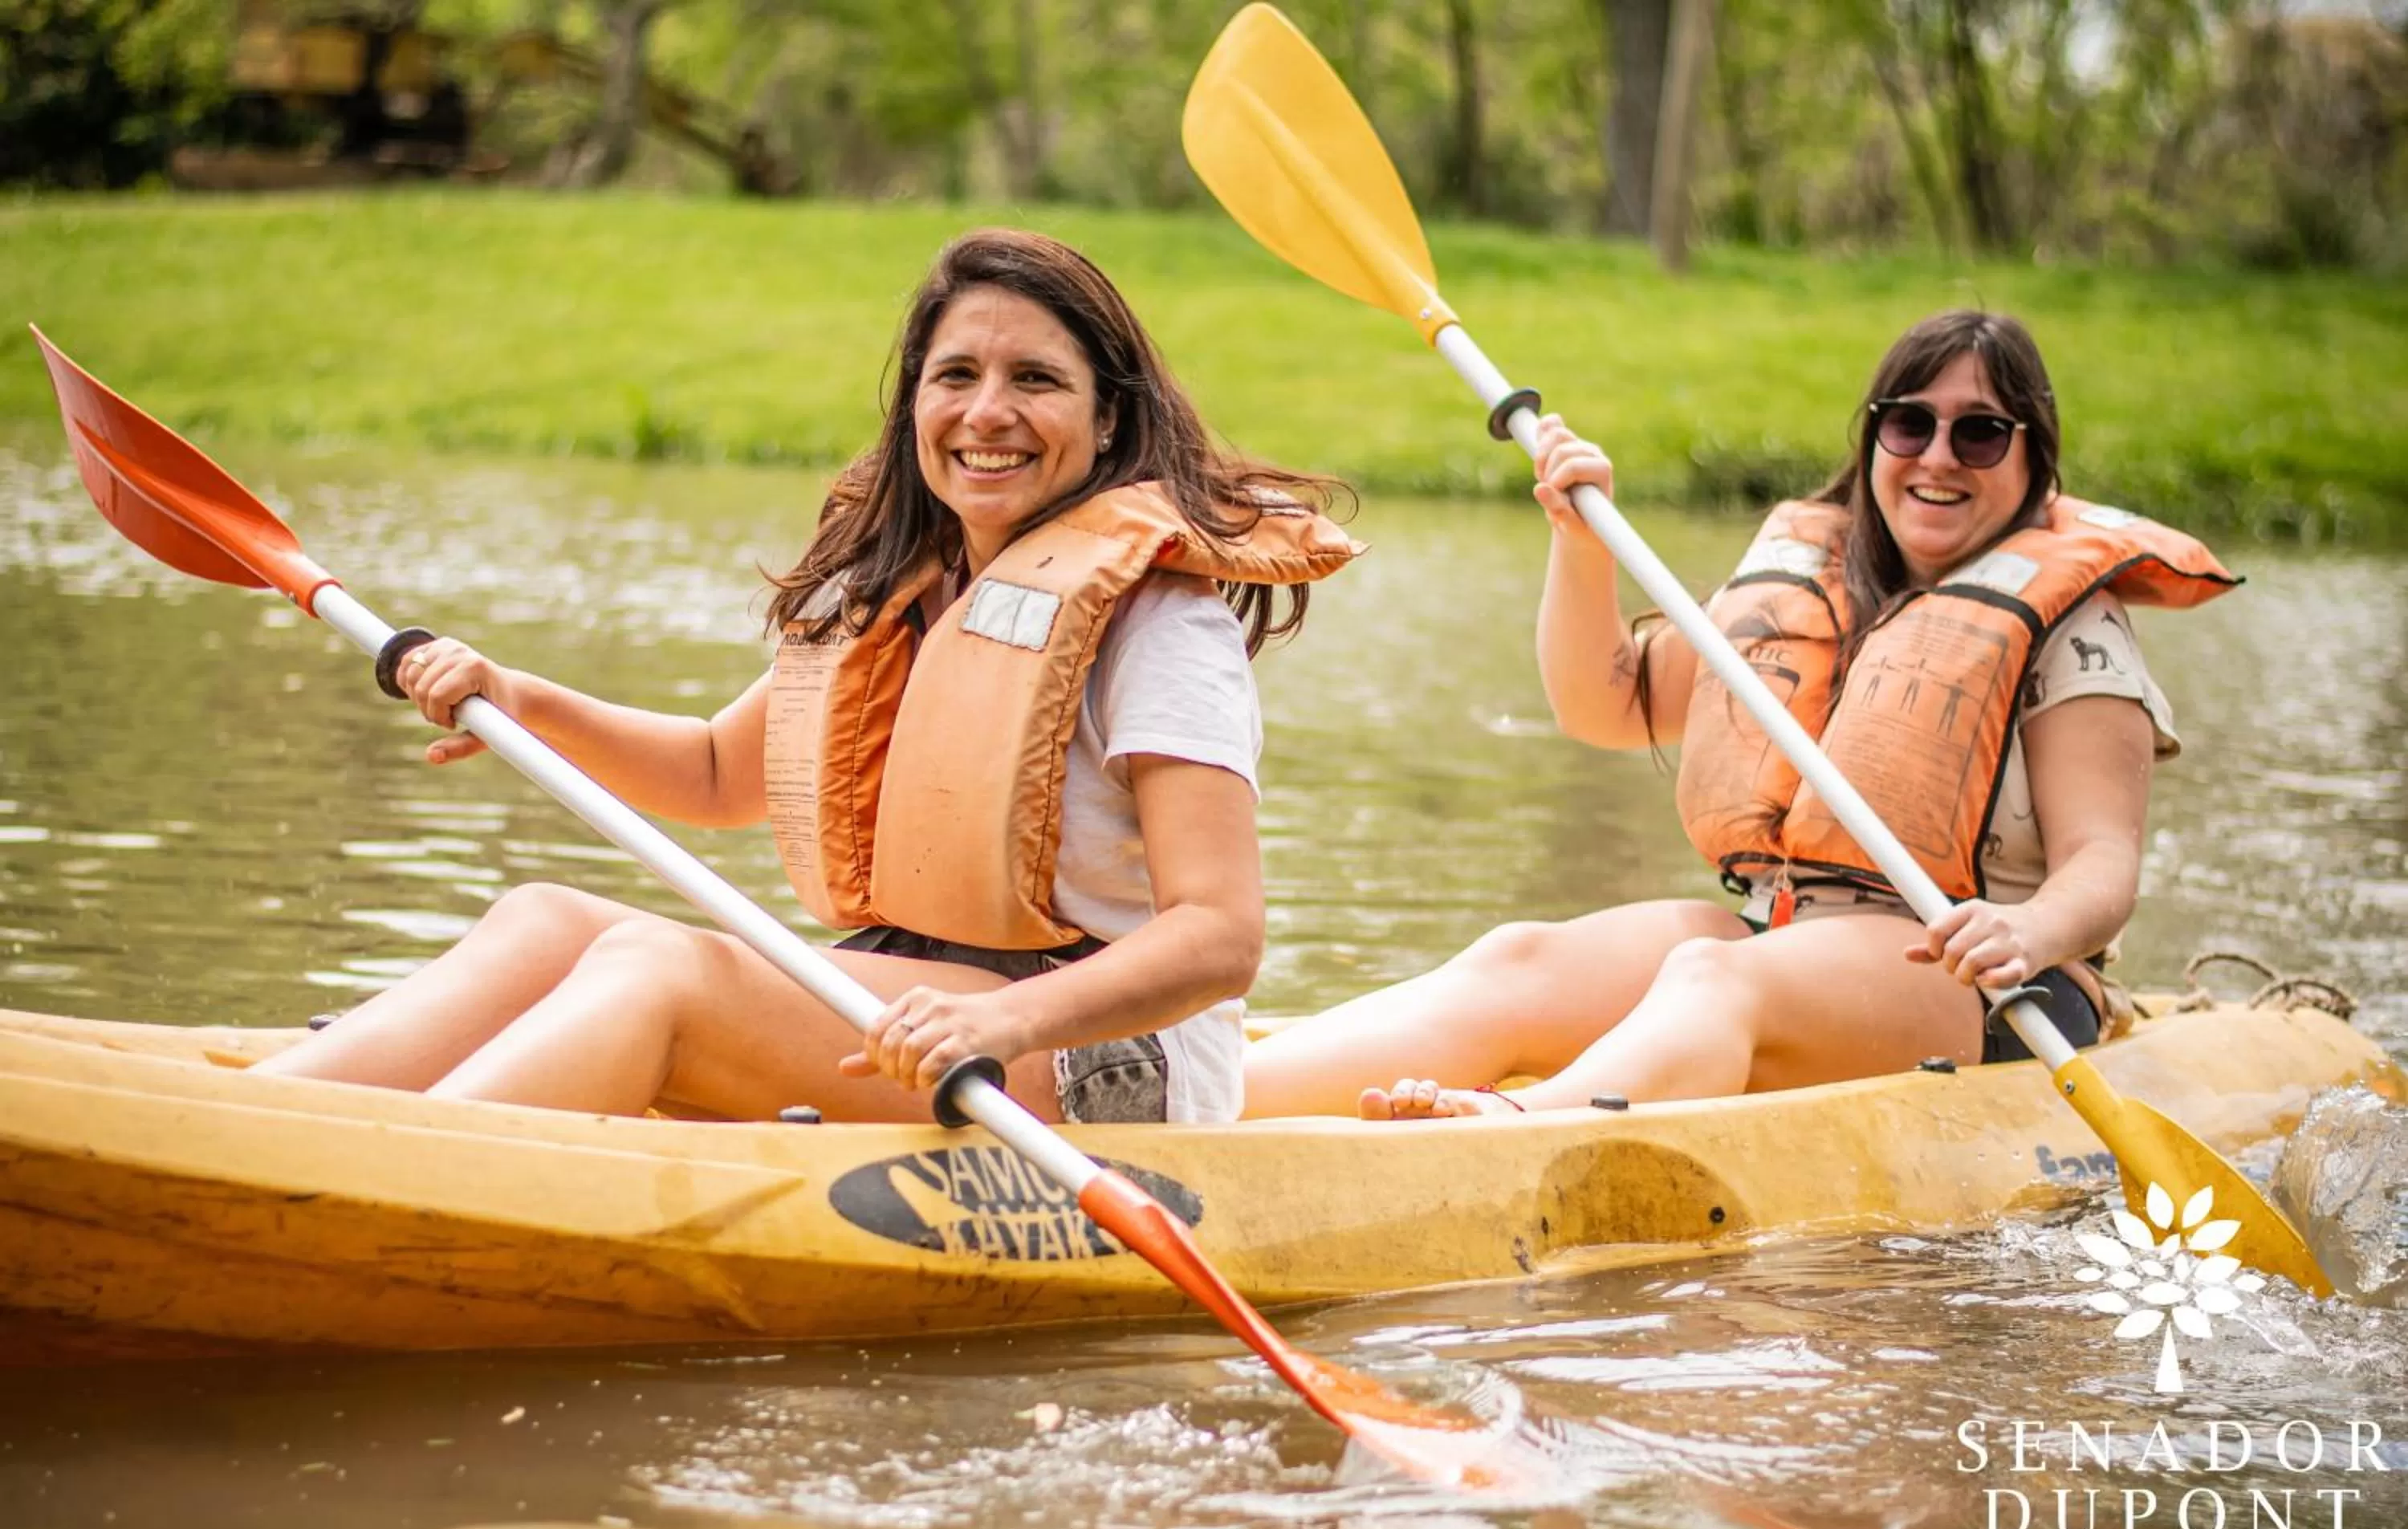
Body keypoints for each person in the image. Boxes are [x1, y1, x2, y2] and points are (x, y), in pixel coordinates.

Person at [260, 228, 1359, 1124]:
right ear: (914, 405)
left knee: (660, 966)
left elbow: (1221, 937)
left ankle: (388, 1185)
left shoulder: (1158, 620)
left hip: (1097, 1061)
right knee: (548, 920)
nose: (986, 413)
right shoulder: (910, 588)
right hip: (923, 1002)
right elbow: (713, 775)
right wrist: (520, 699)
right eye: (956, 377)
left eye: (1036, 380)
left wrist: (1007, 1025)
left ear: (1107, 416)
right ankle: (267, 1129)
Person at [1242, 310, 2233, 1120]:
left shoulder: (2072, 624)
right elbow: (1609, 705)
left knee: (1713, 977)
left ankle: (1521, 1127)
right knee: (1522, 958)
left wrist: (2026, 930)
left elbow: (2102, 865)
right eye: (1909, 423)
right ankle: (1215, 1104)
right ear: (1874, 437)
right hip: (1777, 930)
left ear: (2032, 460)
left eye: (1980, 431)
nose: (1938, 455)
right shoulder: (1811, 574)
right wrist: (1577, 540)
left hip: (1974, 980)